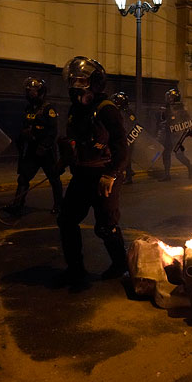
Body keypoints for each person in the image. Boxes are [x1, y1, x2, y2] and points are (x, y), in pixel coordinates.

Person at [56, 56, 128, 285]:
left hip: (104, 175)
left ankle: (120, 265)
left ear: (95, 82)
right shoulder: (75, 110)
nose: (76, 84)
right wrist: (63, 161)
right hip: (82, 174)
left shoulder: (107, 109)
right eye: (73, 79)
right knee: (66, 220)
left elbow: (121, 145)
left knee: (106, 226)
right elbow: (75, 140)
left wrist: (112, 174)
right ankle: (75, 268)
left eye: (81, 80)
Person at [3, 77, 63, 216]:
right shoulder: (29, 108)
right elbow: (25, 125)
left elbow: (53, 131)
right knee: (23, 177)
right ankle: (17, 204)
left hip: (46, 151)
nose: (30, 93)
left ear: (41, 92)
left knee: (54, 178)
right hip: (32, 149)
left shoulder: (49, 108)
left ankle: (59, 205)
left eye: (33, 91)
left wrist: (44, 145)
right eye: (28, 90)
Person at [156, 88, 192, 181]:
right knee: (166, 154)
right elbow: (164, 121)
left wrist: (190, 131)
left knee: (178, 154)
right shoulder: (167, 108)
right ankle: (167, 174)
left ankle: (190, 166)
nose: (169, 99)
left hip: (177, 136)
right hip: (168, 135)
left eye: (171, 97)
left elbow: (187, 122)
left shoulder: (181, 109)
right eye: (168, 97)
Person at [110, 92, 138, 184]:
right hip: (128, 137)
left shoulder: (124, 112)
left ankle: (128, 177)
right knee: (126, 158)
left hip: (127, 138)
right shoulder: (127, 111)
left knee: (125, 158)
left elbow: (126, 126)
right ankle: (129, 173)